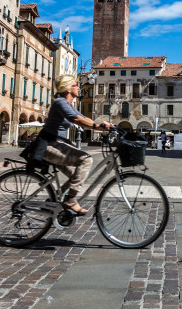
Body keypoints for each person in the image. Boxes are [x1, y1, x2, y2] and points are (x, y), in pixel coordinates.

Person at [21, 74, 113, 216]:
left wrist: (103, 125)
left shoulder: (68, 104)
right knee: (86, 159)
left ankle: (53, 200)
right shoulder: (60, 102)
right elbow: (75, 119)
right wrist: (98, 126)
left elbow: (83, 118)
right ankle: (70, 199)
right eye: (76, 85)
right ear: (69, 88)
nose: (79, 88)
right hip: (50, 145)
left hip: (58, 145)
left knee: (76, 175)